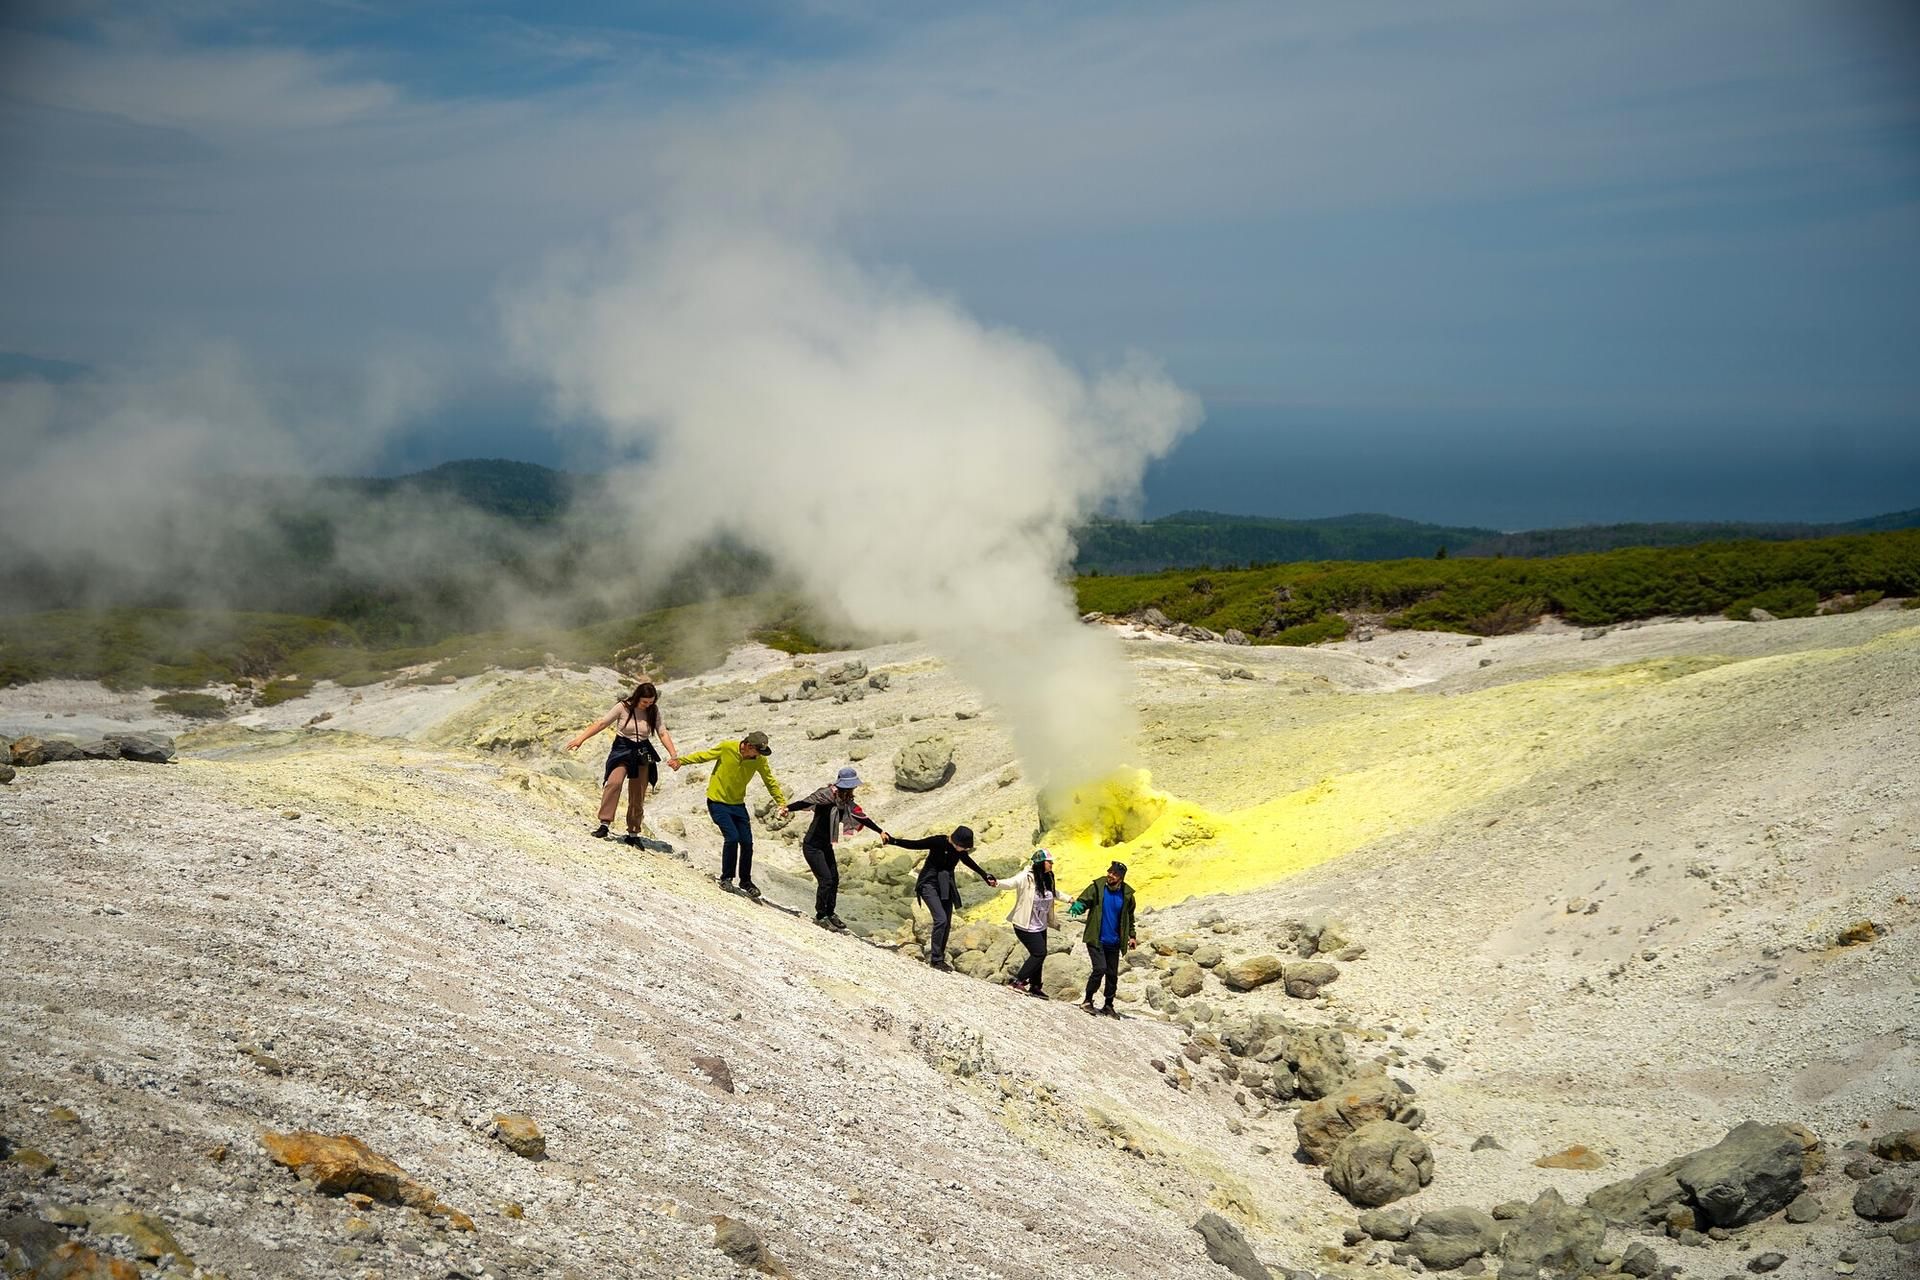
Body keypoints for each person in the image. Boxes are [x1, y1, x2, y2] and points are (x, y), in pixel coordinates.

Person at [668, 730, 786, 899]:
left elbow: (770, 781)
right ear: (748, 746)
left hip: (738, 805)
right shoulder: (727, 747)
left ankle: (745, 881)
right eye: (757, 751)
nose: (759, 755)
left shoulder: (759, 760)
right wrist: (680, 761)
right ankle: (726, 878)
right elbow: (703, 756)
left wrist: (781, 802)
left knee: (747, 842)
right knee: (732, 837)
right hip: (717, 802)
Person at [564, 681, 677, 844]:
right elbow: (602, 723)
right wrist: (580, 739)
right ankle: (604, 823)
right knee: (614, 783)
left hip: (642, 751)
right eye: (645, 702)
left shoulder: (653, 711)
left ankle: (633, 833)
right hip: (622, 748)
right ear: (638, 697)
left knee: (638, 792)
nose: (648, 705)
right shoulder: (622, 707)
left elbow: (662, 732)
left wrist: (673, 754)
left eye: (651, 702)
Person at [782, 766, 887, 932]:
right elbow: (805, 802)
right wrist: (788, 808)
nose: (851, 789)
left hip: (825, 846)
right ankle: (820, 915)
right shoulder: (825, 795)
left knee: (835, 879)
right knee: (826, 880)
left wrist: (880, 831)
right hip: (812, 846)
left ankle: (830, 913)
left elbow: (862, 817)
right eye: (849, 786)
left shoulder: (845, 803)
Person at [883, 825, 996, 971]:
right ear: (956, 842)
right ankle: (936, 959)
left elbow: (968, 861)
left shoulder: (959, 851)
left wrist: (984, 875)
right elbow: (915, 844)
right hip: (928, 884)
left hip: (946, 885)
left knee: (946, 923)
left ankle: (939, 957)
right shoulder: (938, 842)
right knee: (941, 919)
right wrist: (892, 841)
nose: (965, 850)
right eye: (964, 847)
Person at [1067, 860, 1137, 1016]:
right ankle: (1087, 1000)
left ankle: (1108, 1005)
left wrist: (1132, 936)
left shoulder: (1127, 895)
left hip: (1114, 941)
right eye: (1109, 872)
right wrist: (1078, 907)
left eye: (1114, 874)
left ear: (1121, 877)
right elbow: (1083, 901)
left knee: (1112, 975)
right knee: (1100, 968)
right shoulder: (1097, 888)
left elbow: (1129, 917)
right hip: (1096, 937)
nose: (1110, 875)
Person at [992, 848, 1062, 998]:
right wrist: (996, 883)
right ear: (1040, 863)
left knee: (1039, 955)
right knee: (1039, 953)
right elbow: (1011, 883)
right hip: (1025, 925)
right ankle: (1017, 981)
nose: (1051, 864)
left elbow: (1054, 892)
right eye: (1049, 862)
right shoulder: (1026, 876)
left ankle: (1035, 986)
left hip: (1040, 924)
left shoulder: (1047, 877)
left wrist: (1070, 899)